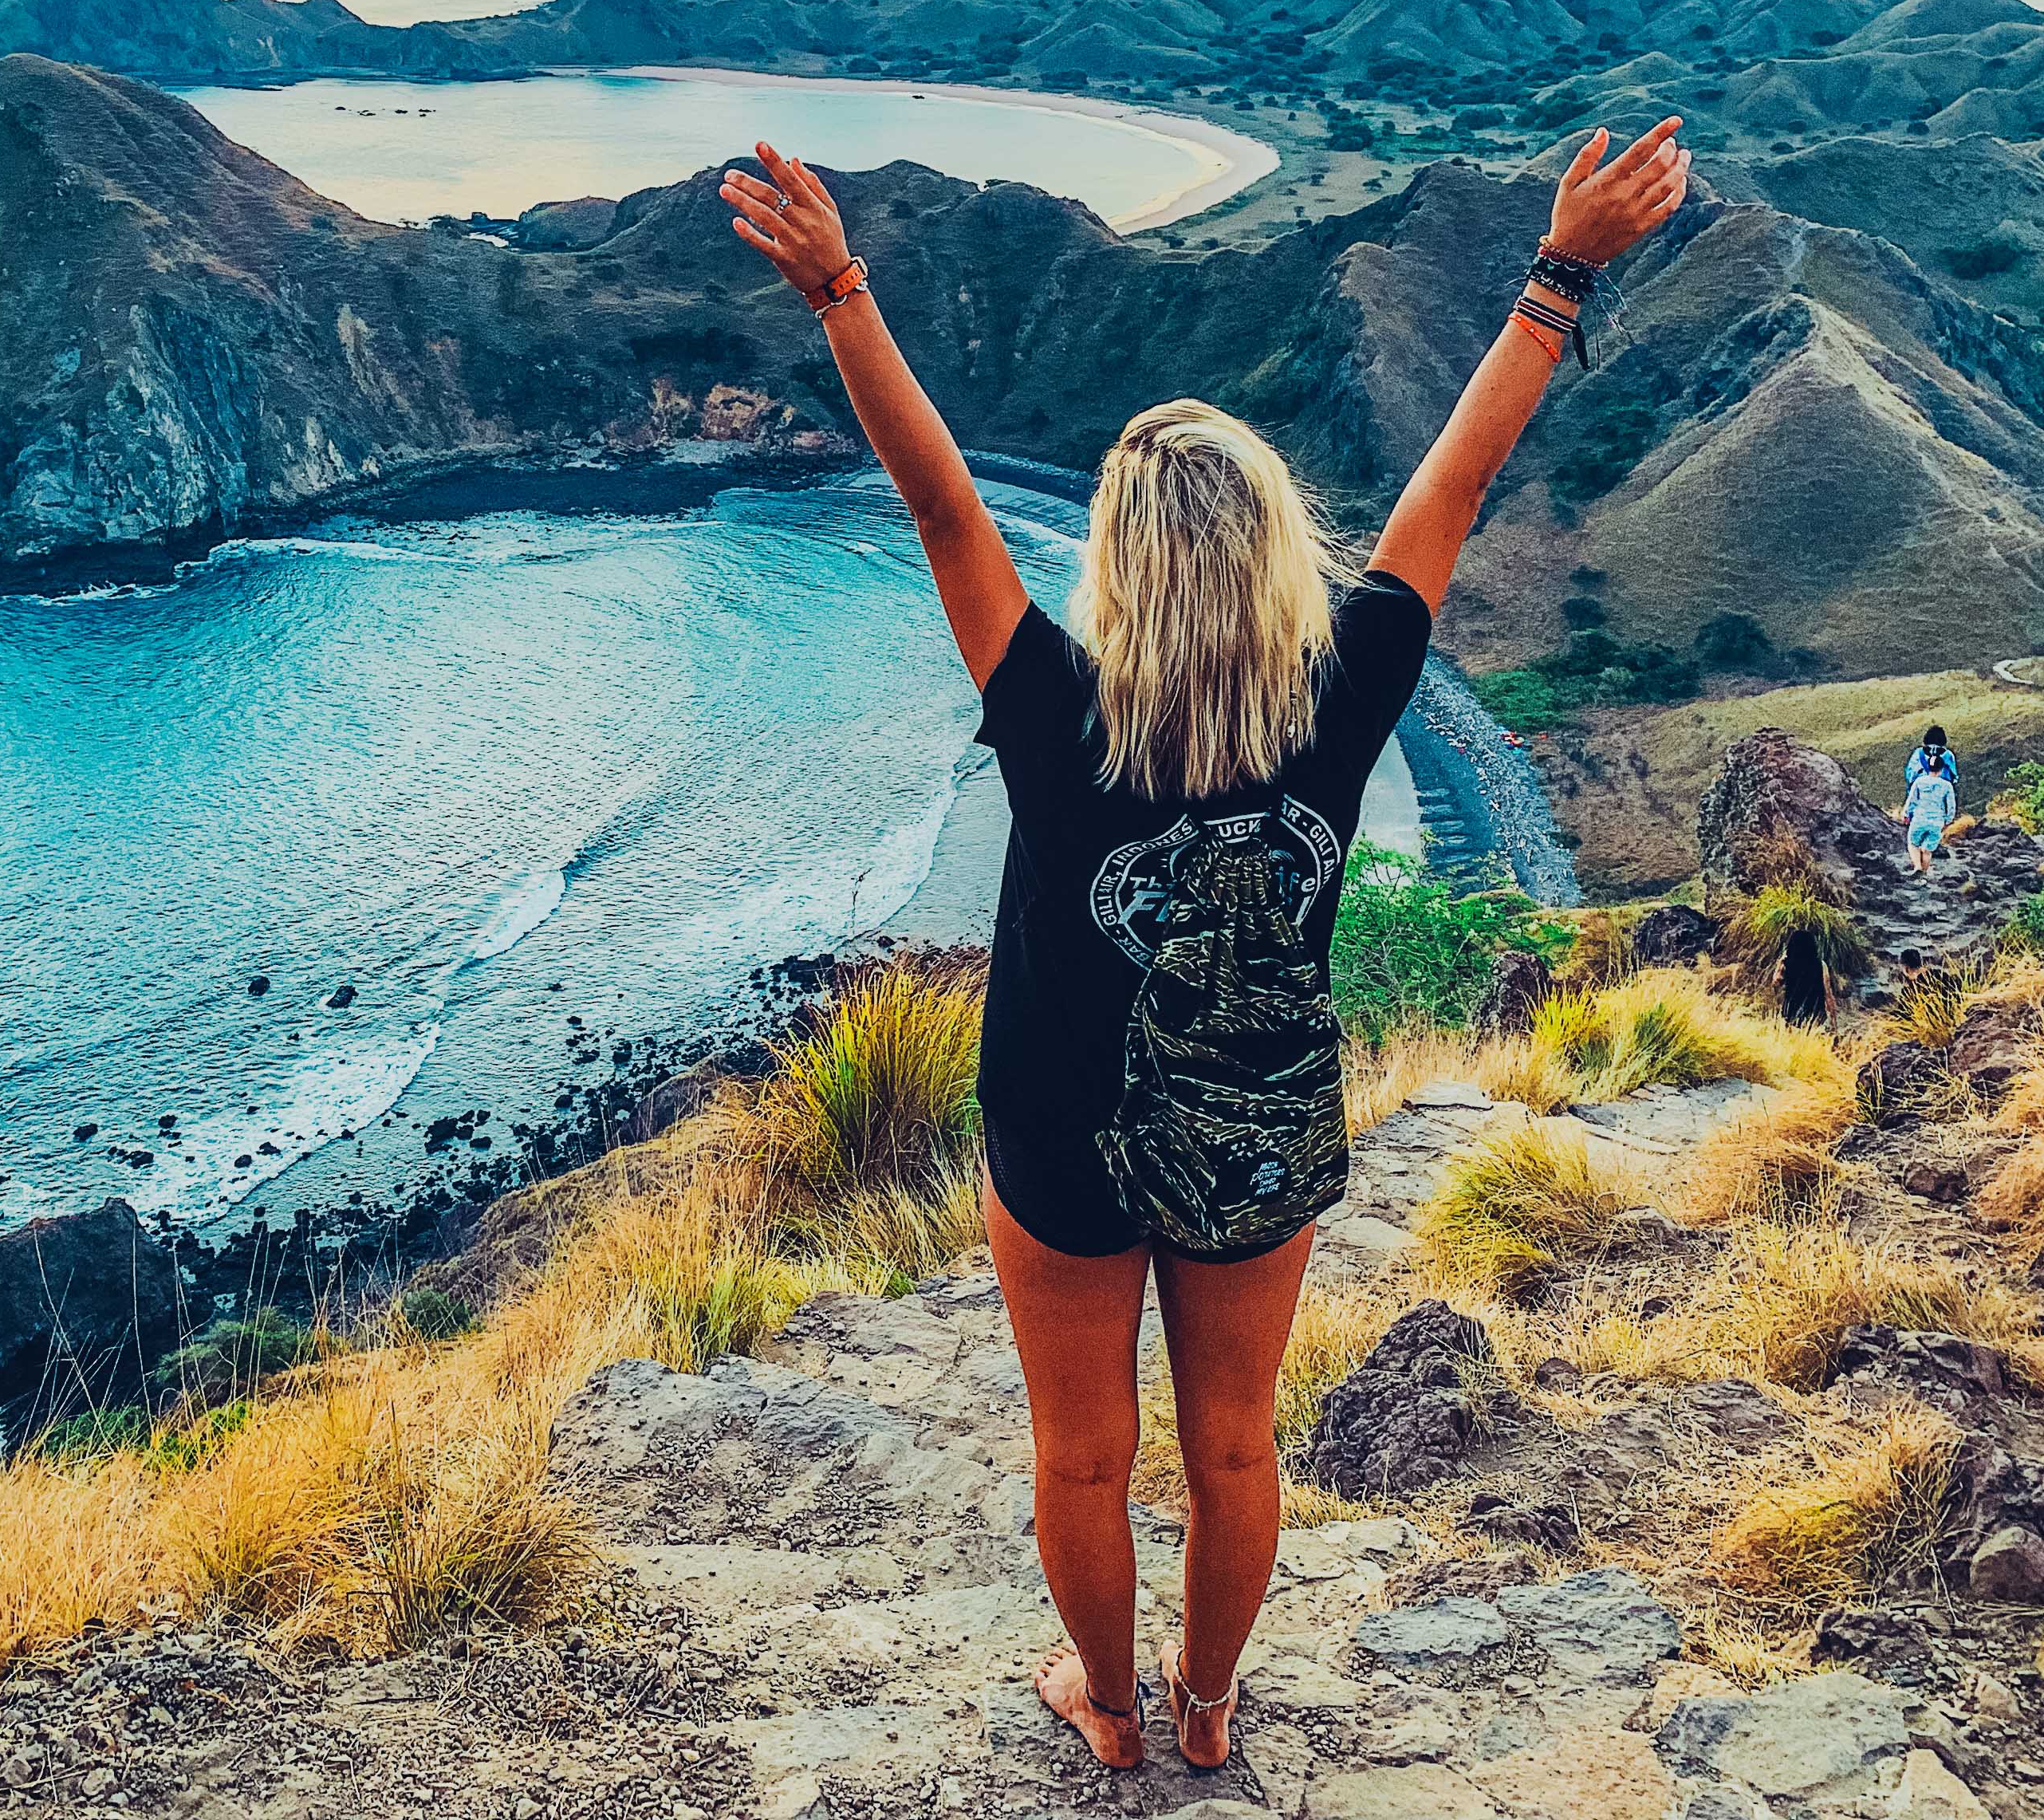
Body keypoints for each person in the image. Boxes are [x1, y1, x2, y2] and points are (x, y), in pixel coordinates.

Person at [720, 117, 1692, 1774]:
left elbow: (943, 506)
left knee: (1081, 1458)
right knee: (1236, 1450)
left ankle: (1108, 1712)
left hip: (1061, 1128)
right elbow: (1453, 482)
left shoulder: (1053, 706)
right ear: (1270, 551)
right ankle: (1207, 1709)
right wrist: (1559, 273)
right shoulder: (1349, 683)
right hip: (1259, 1123)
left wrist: (841, 293)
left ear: (1113, 564)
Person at [1903, 726, 1959, 875]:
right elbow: (1954, 777)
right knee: (1930, 843)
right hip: (1939, 808)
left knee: (1914, 840)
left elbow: (1910, 775)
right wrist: (1948, 818)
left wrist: (1907, 812)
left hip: (1920, 806)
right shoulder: (1948, 755)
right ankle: (1925, 871)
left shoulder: (1918, 754)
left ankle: (1917, 866)